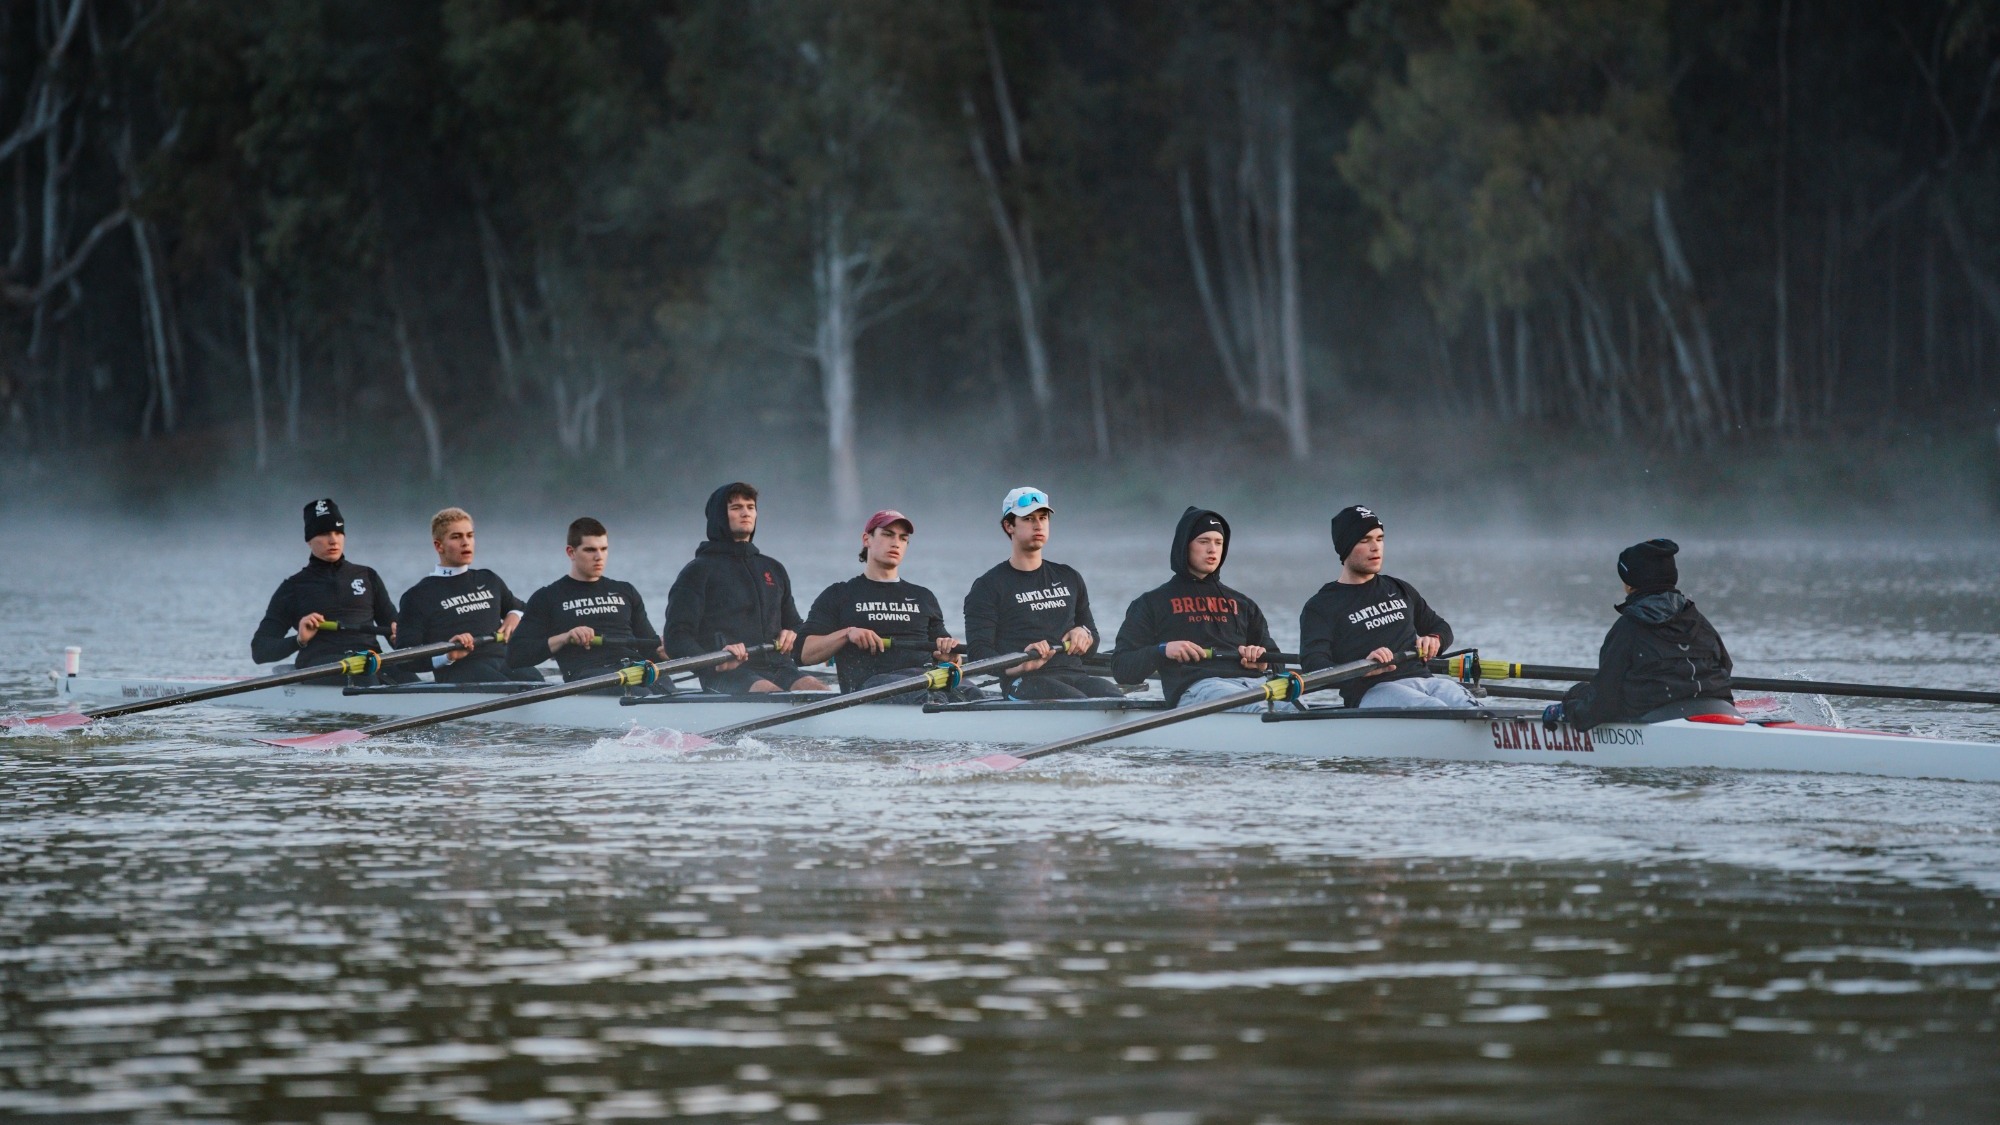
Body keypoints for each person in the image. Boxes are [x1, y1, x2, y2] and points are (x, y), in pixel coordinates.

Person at [1109, 506, 1290, 712]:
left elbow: (1279, 664)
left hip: (1255, 685)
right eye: (1203, 542)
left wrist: (1263, 662)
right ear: (1185, 546)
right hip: (1199, 689)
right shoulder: (1151, 603)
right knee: (1258, 710)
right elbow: (1122, 669)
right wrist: (1163, 650)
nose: (1212, 549)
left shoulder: (1244, 604)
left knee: (1296, 709)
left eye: (1218, 542)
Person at [1544, 538, 1736, 731]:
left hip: (1656, 718)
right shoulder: (1700, 622)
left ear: (1630, 584)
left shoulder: (1628, 629)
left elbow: (1603, 702)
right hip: (1719, 709)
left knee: (1577, 693)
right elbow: (1725, 667)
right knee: (1582, 692)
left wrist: (1566, 710)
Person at [1299, 505, 1475, 709]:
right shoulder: (1321, 606)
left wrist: (1435, 639)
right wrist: (1361, 669)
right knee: (1437, 709)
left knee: (1474, 708)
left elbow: (1441, 627)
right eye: (1365, 540)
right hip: (1375, 690)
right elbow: (1313, 666)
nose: (1376, 547)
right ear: (1346, 547)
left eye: (1379, 538)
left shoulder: (1399, 588)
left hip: (1428, 682)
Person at [798, 510, 980, 703]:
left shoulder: (923, 597)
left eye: (903, 538)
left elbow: (947, 653)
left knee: (975, 695)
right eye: (887, 534)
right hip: (870, 686)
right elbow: (803, 654)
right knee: (929, 698)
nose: (895, 543)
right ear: (866, 539)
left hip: (926, 678)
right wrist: (847, 634)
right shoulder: (839, 595)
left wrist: (952, 658)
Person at [663, 483, 827, 693]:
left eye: (750, 507)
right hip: (726, 672)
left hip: (778, 666)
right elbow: (675, 637)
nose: (745, 513)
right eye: (736, 508)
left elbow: (795, 624)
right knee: (771, 694)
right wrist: (712, 660)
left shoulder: (773, 568)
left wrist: (792, 633)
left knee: (815, 689)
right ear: (719, 517)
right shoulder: (697, 572)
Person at [962, 486, 1118, 700]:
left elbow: (1094, 640)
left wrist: (1085, 635)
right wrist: (1019, 665)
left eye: (1043, 518)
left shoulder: (1069, 577)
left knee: (1113, 695)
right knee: (1076, 701)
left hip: (1074, 675)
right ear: (1009, 526)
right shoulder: (987, 586)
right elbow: (978, 655)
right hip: (1025, 681)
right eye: (1028, 519)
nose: (1038, 525)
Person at [251, 498, 402, 680]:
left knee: (410, 679)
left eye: (338, 532)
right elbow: (260, 651)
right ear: (309, 540)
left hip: (370, 660)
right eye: (324, 533)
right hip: (320, 665)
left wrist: (399, 640)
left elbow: (396, 630)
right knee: (365, 677)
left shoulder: (368, 576)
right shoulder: (293, 588)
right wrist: (299, 640)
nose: (333, 540)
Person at [507, 516, 662, 682]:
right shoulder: (547, 597)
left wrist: (666, 651)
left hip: (633, 671)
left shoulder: (625, 591)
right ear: (571, 552)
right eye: (590, 550)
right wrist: (565, 637)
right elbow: (515, 655)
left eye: (604, 549)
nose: (599, 556)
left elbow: (651, 648)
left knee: (664, 684)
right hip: (589, 677)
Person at [396, 507, 540, 683]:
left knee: (536, 680)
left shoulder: (489, 579)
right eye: (456, 537)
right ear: (438, 545)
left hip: (504, 661)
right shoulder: (417, 596)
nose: (466, 542)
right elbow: (404, 659)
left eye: (470, 535)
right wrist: (447, 655)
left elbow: (523, 609)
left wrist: (514, 616)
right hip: (461, 670)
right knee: (510, 687)